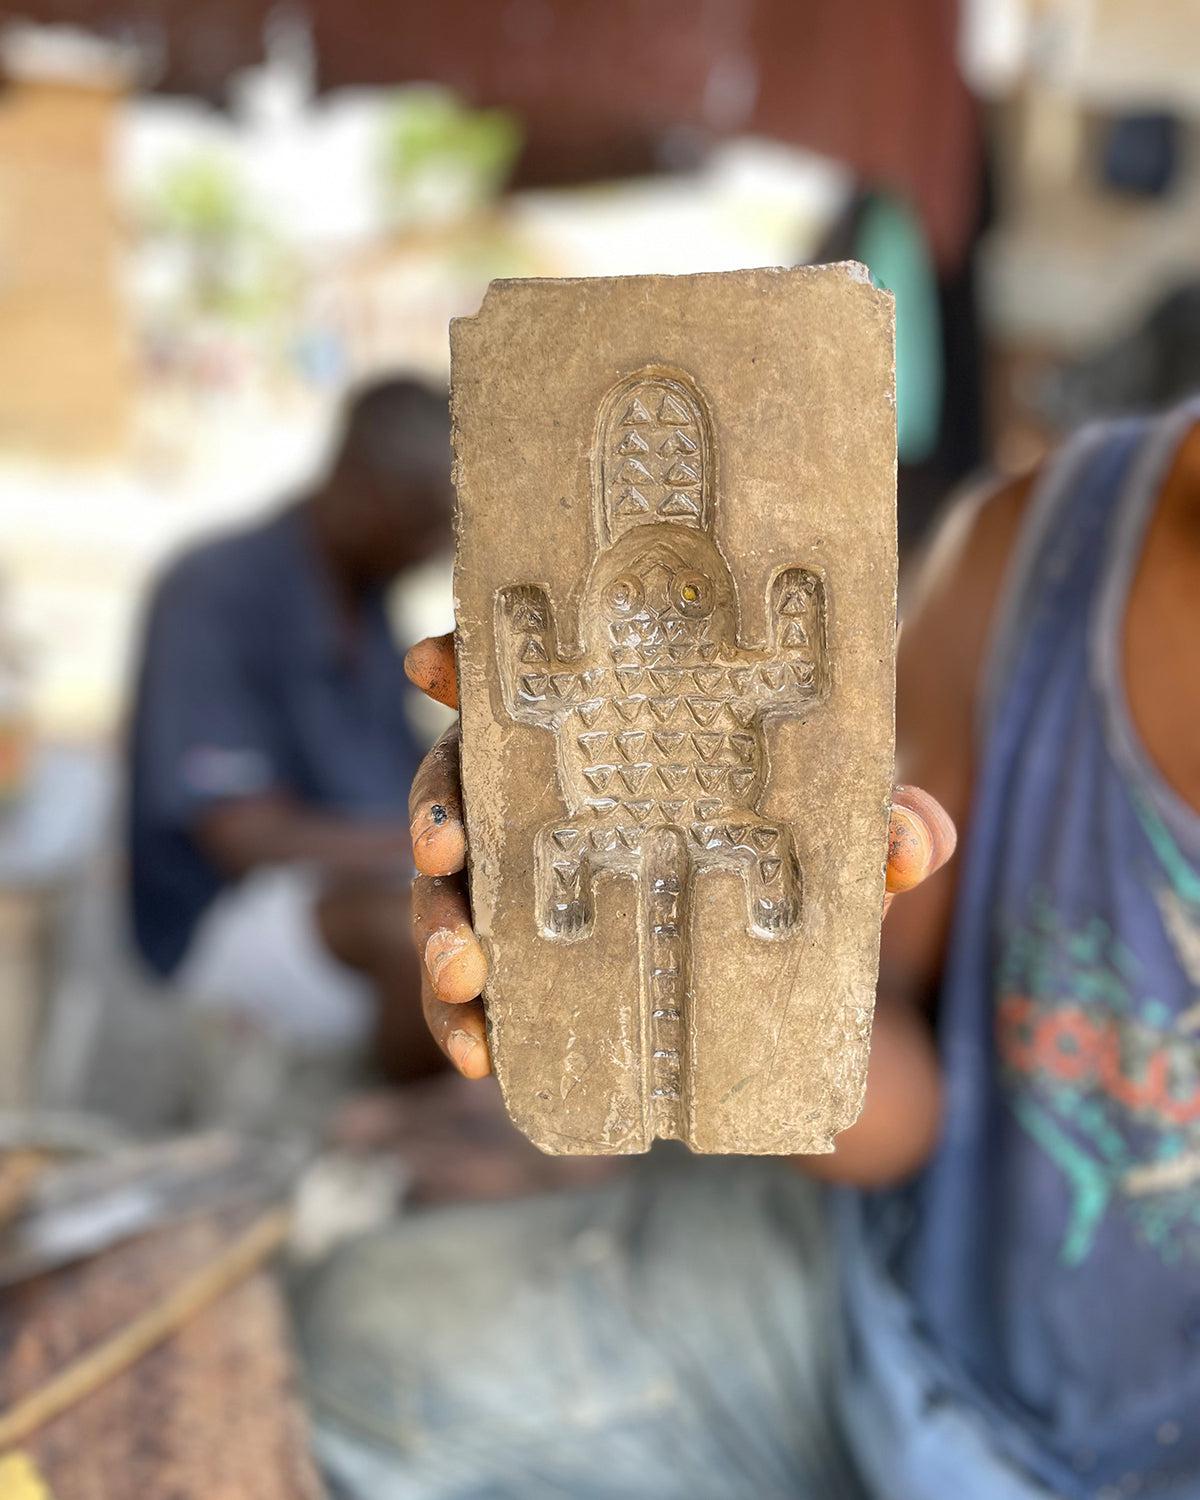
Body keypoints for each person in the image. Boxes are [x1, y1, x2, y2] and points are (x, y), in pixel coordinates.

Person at [300, 395, 1200, 1499]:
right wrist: (702, 973)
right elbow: (892, 1112)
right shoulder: (1042, 548)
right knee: (361, 1339)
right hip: (895, 1328)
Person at [127, 378, 455, 1077]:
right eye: (423, 521)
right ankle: (404, 1127)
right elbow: (243, 838)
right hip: (222, 922)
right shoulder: (216, 588)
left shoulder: (364, 602)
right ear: (360, 484)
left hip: (340, 887)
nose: (433, 550)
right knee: (423, 941)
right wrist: (436, 848)